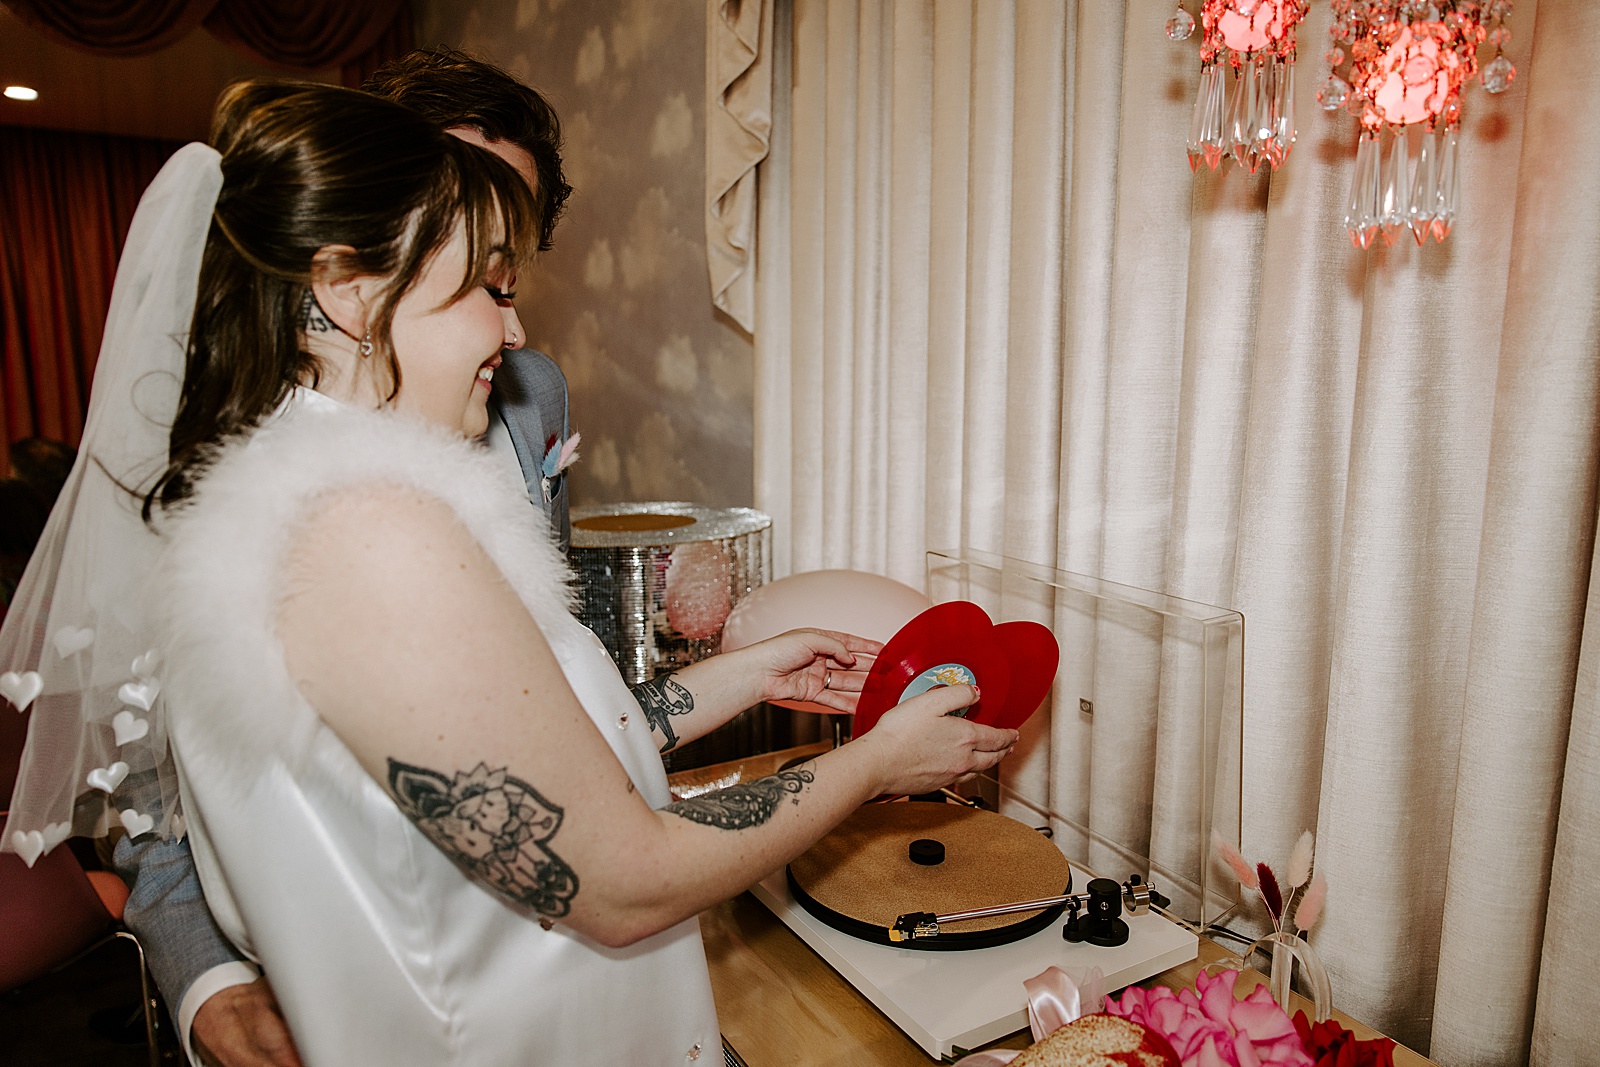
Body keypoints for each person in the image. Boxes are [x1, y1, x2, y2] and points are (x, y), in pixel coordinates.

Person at [2, 82, 1015, 1064]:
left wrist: (750, 673)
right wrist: (875, 765)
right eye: (489, 287)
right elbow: (620, 880)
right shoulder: (369, 534)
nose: (516, 329)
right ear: (348, 287)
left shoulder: (302, 503)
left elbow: (512, 756)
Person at [107, 50, 577, 1066]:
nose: (497, 295)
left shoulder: (530, 390)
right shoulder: (210, 415)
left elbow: (546, 659)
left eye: (508, 253)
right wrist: (209, 976)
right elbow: (142, 748)